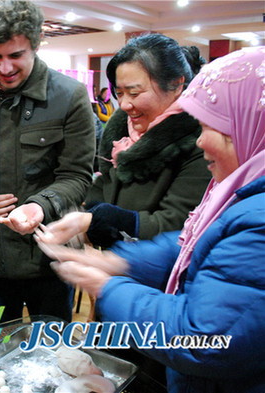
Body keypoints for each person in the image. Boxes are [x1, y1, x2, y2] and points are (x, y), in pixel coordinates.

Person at [38, 46, 265, 392]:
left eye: (135, 91)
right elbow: (190, 245)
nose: (202, 140)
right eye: (119, 92)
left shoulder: (253, 213)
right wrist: (114, 260)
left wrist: (106, 284)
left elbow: (206, 339)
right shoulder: (238, 183)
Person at [0, 0, 96, 323]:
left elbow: (78, 174)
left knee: (52, 356)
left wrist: (40, 205)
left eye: (16, 56)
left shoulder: (70, 95)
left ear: (35, 45)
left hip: (49, 261)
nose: (6, 67)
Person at [39, 34, 212, 249]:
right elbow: (107, 184)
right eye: (119, 93)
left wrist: (109, 219)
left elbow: (179, 224)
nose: (125, 104)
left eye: (134, 92)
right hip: (117, 262)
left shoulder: (201, 141)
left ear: (176, 85)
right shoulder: (122, 130)